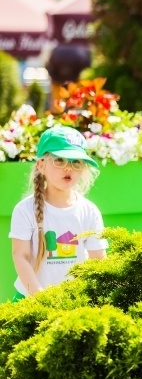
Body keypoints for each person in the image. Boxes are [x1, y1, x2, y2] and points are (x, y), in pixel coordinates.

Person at [9, 125, 107, 301]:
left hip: (74, 303)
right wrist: (40, 297)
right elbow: (20, 256)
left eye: (76, 162)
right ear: (41, 165)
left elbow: (98, 261)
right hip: (29, 300)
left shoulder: (89, 211)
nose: (68, 168)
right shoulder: (25, 210)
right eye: (59, 160)